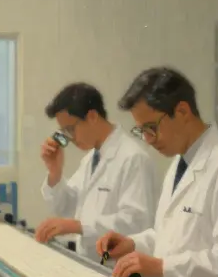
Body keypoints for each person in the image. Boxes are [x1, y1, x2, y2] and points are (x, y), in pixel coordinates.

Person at [96, 68, 218, 277]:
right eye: (141, 131)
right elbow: (173, 237)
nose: (148, 140)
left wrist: (162, 268)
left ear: (182, 111)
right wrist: (133, 244)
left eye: (151, 127)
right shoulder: (179, 164)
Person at [34, 83, 156, 259]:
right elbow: (66, 207)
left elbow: (136, 222)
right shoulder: (92, 158)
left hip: (118, 266)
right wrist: (55, 172)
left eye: (70, 129)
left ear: (92, 116)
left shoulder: (133, 158)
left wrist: (79, 226)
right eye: (64, 132)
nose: (70, 139)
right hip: (92, 261)